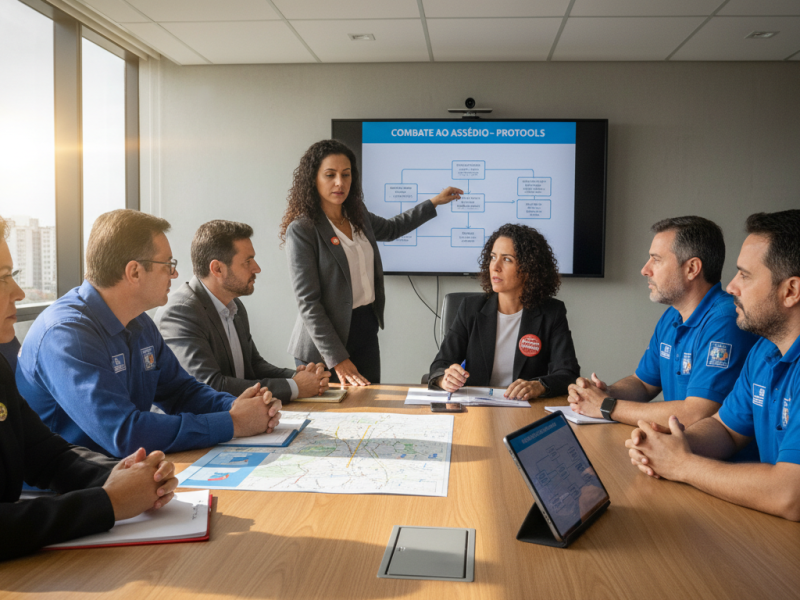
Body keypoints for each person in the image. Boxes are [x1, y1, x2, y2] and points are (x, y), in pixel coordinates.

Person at [16, 210, 282, 458]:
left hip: (123, 476)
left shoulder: (139, 322)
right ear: (134, 271)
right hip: (70, 494)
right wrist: (232, 423)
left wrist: (237, 405)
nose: (175, 273)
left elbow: (180, 391)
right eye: (168, 264)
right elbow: (125, 432)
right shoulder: (66, 334)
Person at [0, 215, 179, 561]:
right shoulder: (65, 331)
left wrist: (123, 474)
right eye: (4, 278)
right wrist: (108, 501)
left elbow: (47, 455)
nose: (19, 293)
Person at [626, 210, 800, 521]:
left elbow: (790, 495)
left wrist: (683, 464)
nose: (731, 287)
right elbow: (725, 429)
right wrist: (672, 445)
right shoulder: (765, 350)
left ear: (791, 291)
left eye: (745, 275)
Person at [280, 139, 462, 385]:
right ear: (313, 178)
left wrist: (433, 203)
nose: (339, 182)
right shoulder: (303, 229)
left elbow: (391, 228)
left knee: (370, 407)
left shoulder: (357, 214)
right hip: (324, 345)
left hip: (365, 329)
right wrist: (337, 358)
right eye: (330, 175)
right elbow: (308, 303)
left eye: (346, 175)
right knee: (333, 418)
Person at [568, 216, 758, 427]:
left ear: (692, 268)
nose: (645, 270)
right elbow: (643, 383)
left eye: (656, 260)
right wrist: (605, 393)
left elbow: (697, 413)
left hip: (717, 458)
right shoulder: (673, 315)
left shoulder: (725, 321)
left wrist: (607, 407)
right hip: (676, 449)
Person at [156, 220, 330, 401]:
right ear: (217, 269)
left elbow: (254, 367)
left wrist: (299, 377)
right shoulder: (181, 312)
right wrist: (295, 387)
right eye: (247, 261)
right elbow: (210, 385)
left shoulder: (235, 306)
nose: (257, 268)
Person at [428, 223, 580, 400]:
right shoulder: (470, 308)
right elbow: (440, 365)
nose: (495, 266)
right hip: (477, 408)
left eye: (507, 259)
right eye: (493, 257)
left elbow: (568, 373)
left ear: (530, 269)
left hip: (526, 410)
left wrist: (540, 385)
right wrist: (444, 379)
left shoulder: (551, 313)